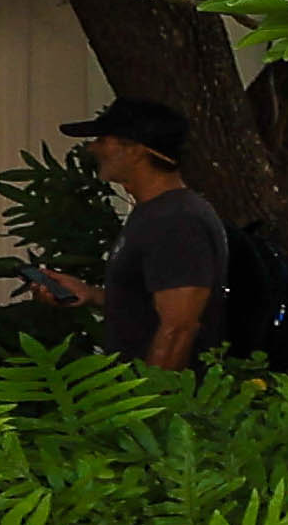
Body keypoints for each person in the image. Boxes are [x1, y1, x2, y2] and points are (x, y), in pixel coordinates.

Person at [36, 98, 230, 371]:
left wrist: (147, 406)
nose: (93, 148)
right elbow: (152, 302)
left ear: (136, 150)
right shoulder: (154, 213)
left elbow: (179, 327)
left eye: (103, 139)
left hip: (162, 403)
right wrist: (91, 294)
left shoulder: (177, 220)